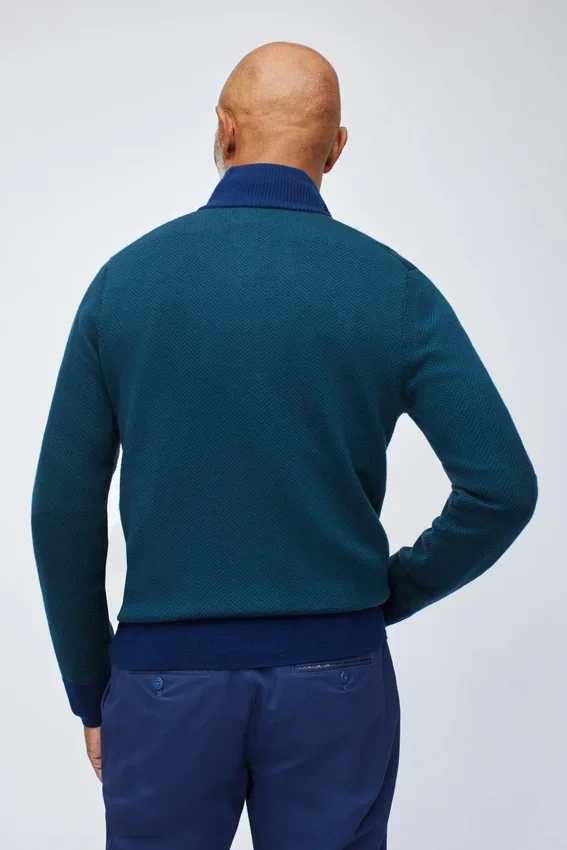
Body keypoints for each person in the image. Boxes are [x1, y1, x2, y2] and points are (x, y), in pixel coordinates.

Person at [31, 40, 538, 850]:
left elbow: (62, 509)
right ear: (335, 148)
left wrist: (91, 690)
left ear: (224, 129)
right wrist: (387, 592)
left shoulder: (125, 283)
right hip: (335, 674)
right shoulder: (393, 288)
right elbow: (501, 487)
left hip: (163, 684)